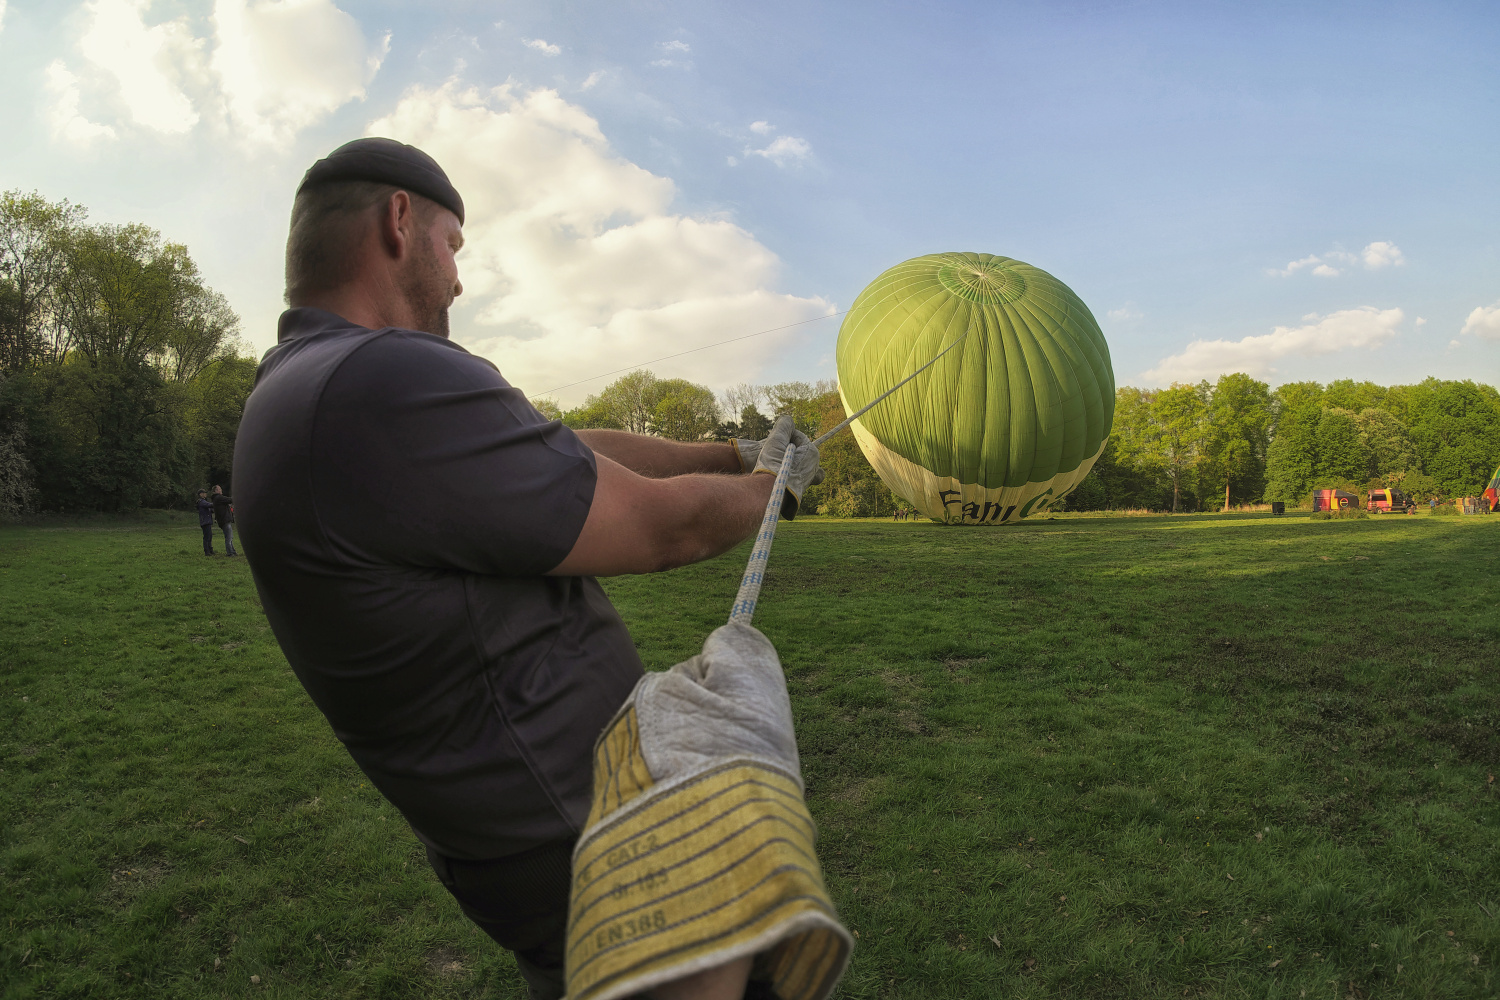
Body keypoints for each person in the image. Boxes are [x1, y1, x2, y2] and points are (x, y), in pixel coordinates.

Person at [232, 138, 823, 1000]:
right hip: (592, 838)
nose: (460, 282)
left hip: (522, 840)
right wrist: (778, 490)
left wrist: (730, 454)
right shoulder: (378, 379)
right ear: (401, 222)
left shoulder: (313, 387)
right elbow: (661, 532)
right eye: (454, 248)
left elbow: (566, 450)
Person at [211, 486, 237, 556]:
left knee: (229, 537)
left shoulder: (216, 498)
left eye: (220, 489)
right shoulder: (218, 497)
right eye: (218, 489)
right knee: (229, 537)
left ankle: (233, 551)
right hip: (224, 520)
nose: (220, 490)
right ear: (215, 491)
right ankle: (230, 553)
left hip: (223, 520)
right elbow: (230, 500)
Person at [195, 489, 215, 555]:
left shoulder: (203, 501)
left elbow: (210, 509)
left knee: (209, 536)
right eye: (204, 493)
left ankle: (210, 550)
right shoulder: (201, 502)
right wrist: (217, 503)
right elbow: (209, 505)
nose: (205, 494)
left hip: (207, 521)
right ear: (200, 494)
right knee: (207, 536)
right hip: (205, 521)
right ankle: (207, 551)